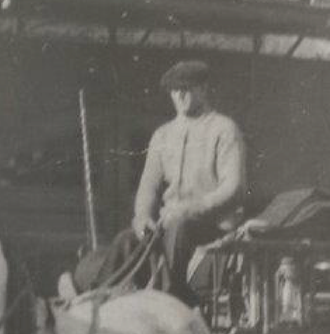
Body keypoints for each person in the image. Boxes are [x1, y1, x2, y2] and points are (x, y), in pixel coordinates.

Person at [63, 59, 247, 304]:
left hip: (210, 227)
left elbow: (233, 188)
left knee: (179, 228)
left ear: (203, 89)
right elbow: (148, 187)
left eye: (187, 89)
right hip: (168, 224)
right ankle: (96, 299)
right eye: (174, 90)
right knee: (127, 240)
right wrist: (142, 217)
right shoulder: (163, 135)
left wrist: (190, 208)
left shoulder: (224, 130)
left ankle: (169, 298)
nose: (179, 95)